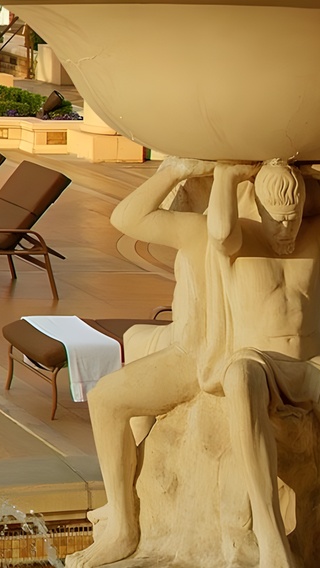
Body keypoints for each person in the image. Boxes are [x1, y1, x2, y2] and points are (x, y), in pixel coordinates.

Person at [70, 156, 218, 568]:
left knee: (106, 400)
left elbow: (127, 216)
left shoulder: (201, 230)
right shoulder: (218, 228)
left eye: (180, 192)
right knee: (136, 338)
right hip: (182, 334)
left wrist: (173, 169)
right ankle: (128, 481)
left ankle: (123, 529)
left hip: (197, 352)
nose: (171, 199)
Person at [208, 161, 320, 568]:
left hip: (311, 366)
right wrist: (226, 178)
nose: (287, 229)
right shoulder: (240, 239)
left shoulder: (317, 236)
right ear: (260, 210)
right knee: (238, 375)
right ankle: (270, 539)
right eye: (278, 220)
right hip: (261, 362)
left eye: (294, 218)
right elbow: (218, 232)